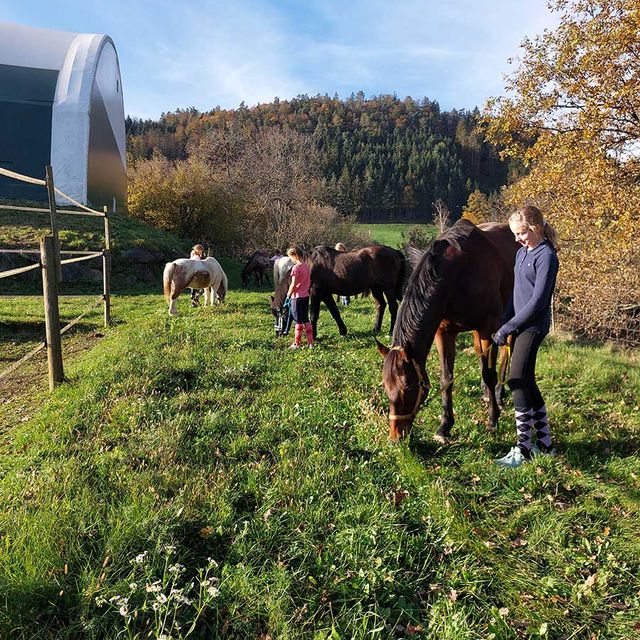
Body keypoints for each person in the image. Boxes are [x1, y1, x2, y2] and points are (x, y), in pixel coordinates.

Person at [493, 205, 559, 468]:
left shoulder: (547, 257)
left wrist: (510, 327)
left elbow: (538, 301)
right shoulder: (521, 253)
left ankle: (523, 448)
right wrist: (504, 320)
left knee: (516, 379)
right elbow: (515, 293)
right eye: (515, 234)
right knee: (527, 381)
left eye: (520, 233)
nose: (517, 239)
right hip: (519, 324)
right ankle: (545, 445)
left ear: (535, 228)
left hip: (533, 326)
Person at [285, 246, 314, 349]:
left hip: (296, 298)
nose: (291, 260)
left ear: (295, 255)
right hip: (306, 296)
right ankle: (310, 343)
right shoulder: (306, 266)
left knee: (298, 321)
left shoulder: (296, 268)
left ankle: (297, 344)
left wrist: (288, 296)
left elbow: (293, 284)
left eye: (291, 257)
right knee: (306, 319)